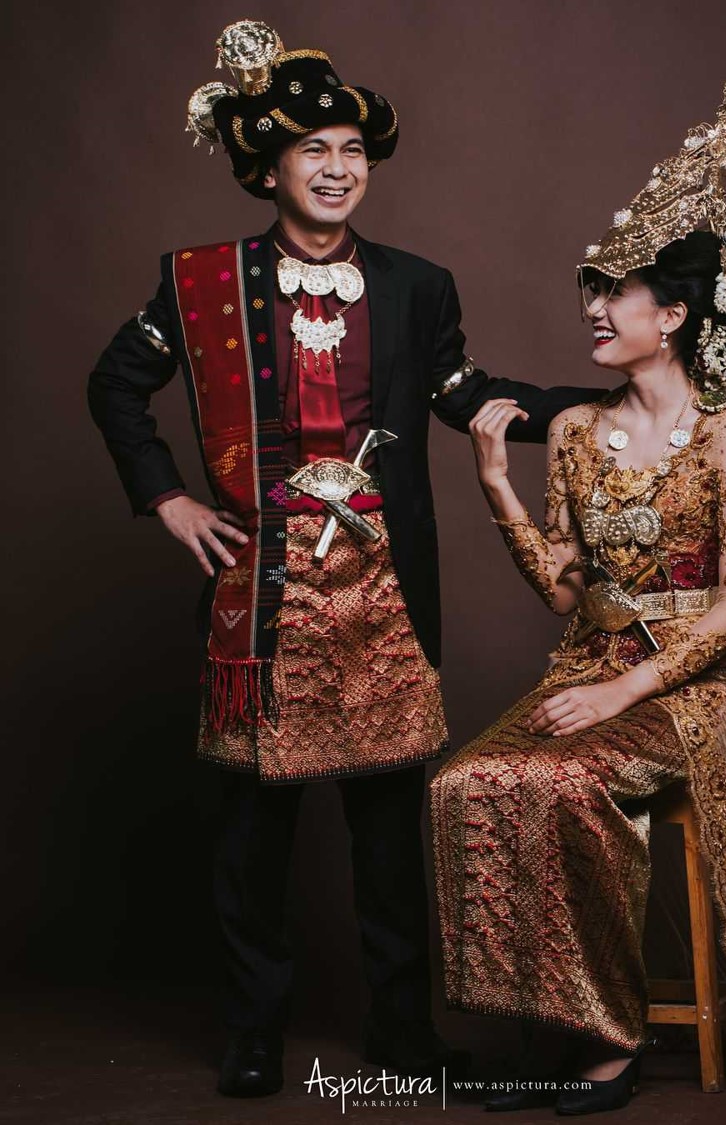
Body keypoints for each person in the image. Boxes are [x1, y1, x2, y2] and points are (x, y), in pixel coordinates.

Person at [87, 20, 604, 1100]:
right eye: (314, 150)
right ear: (269, 168)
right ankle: (251, 1034)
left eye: (353, 151)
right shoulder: (202, 281)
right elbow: (114, 385)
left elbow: (464, 394)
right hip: (263, 588)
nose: (337, 168)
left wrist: (600, 404)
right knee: (252, 836)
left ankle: (405, 1035)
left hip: (382, 591)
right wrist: (168, 497)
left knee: (386, 834)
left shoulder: (418, 284)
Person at [430, 84, 726, 1113]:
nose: (593, 310)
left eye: (616, 293)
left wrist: (622, 692)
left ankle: (610, 1042)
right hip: (590, 663)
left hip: (694, 690)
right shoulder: (570, 432)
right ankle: (542, 1027)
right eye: (590, 291)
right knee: (468, 781)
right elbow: (564, 587)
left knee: (564, 783)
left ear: (675, 315)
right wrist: (497, 487)